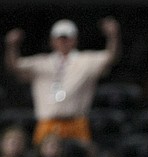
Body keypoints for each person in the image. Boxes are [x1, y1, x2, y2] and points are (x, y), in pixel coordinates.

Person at [4, 18, 120, 147]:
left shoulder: (86, 61)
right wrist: (12, 46)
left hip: (76, 123)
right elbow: (14, 66)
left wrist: (113, 36)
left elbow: (111, 58)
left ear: (74, 40)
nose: (63, 42)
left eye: (67, 38)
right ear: (52, 41)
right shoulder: (41, 63)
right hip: (47, 123)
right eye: (60, 38)